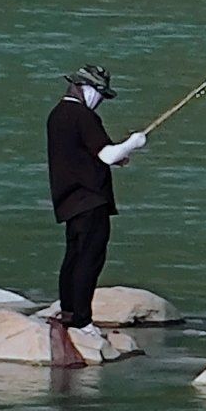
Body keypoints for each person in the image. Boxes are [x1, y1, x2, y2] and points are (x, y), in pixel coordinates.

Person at [46, 62, 146, 348]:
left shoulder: (57, 115)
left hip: (68, 199)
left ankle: (68, 311)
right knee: (90, 259)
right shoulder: (82, 116)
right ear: (83, 88)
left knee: (73, 257)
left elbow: (79, 155)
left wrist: (119, 155)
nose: (100, 100)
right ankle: (82, 320)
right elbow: (106, 156)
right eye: (99, 93)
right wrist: (133, 143)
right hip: (91, 200)